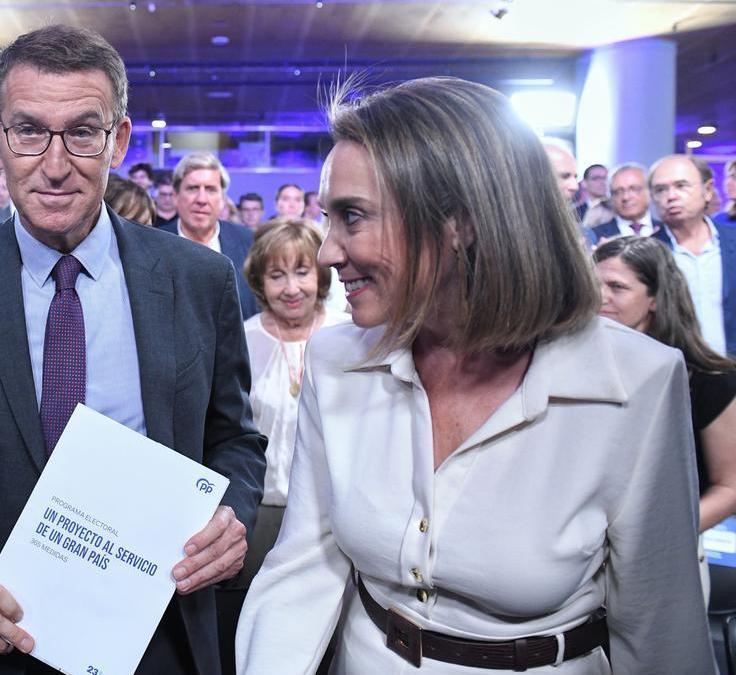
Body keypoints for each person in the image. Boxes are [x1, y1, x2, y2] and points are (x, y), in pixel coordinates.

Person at [237, 77, 713, 674]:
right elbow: (304, 567)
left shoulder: (635, 382)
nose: (329, 252)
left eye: (352, 217)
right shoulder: (337, 362)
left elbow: (661, 625)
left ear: (456, 220)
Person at [0, 25, 265, 675]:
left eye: (80, 131)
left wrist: (232, 516)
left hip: (160, 637)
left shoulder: (198, 280)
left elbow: (235, 440)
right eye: (27, 130)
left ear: (118, 141)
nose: (53, 163)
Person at [593, 237, 736, 585]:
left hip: (666, 564)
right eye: (594, 284)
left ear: (656, 298)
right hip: (584, 568)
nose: (600, 297)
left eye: (617, 287)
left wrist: (658, 538)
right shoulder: (577, 372)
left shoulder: (710, 381)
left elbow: (730, 487)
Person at [237, 218, 342, 585]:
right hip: (257, 513)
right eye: (277, 275)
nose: (291, 288)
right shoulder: (242, 339)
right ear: (260, 283)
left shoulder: (349, 336)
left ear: (321, 275)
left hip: (332, 516)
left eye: (302, 271)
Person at [648, 154, 736, 357]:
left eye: (681, 186)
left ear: (707, 191)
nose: (671, 196)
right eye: (661, 189)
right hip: (678, 376)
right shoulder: (649, 252)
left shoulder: (732, 241)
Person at [156, 152, 258, 318]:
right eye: (192, 188)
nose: (201, 199)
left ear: (223, 199)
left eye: (210, 190)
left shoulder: (248, 242)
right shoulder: (153, 244)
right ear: (175, 196)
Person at [590, 163, 663, 242]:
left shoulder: (666, 230)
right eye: (618, 192)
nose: (626, 197)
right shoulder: (595, 236)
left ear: (649, 191)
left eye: (634, 189)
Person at [575, 163, 615, 230]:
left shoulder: (618, 209)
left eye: (606, 178)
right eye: (596, 178)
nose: (602, 182)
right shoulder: (574, 212)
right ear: (584, 183)